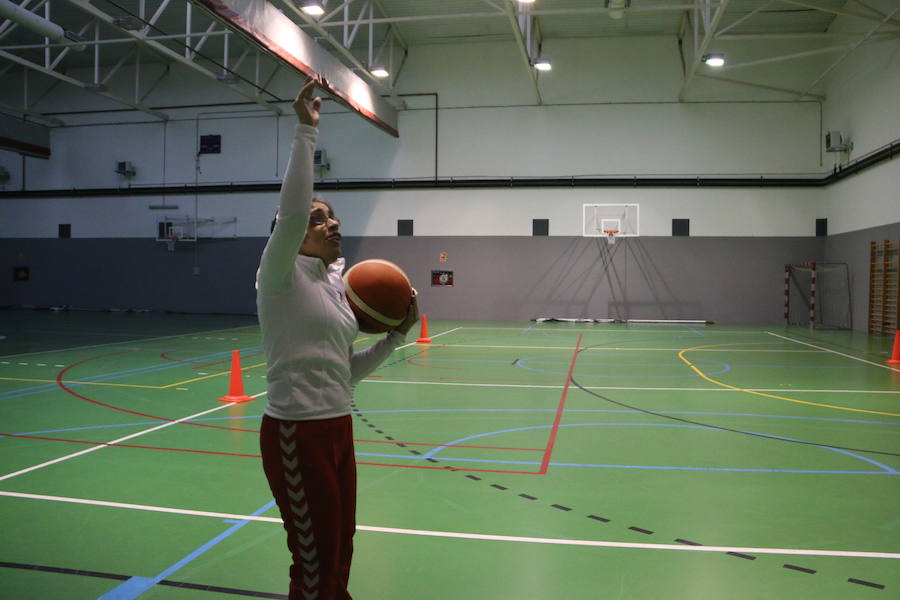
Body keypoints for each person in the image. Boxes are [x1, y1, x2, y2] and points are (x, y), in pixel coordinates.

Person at [256, 77, 418, 600]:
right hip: (295, 435)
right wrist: (306, 133)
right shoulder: (279, 276)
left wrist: (395, 338)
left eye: (332, 217)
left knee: (341, 547)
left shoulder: (333, 287)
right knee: (314, 555)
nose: (330, 223)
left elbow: (342, 372)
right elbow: (294, 205)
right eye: (316, 219)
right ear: (293, 230)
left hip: (337, 426)